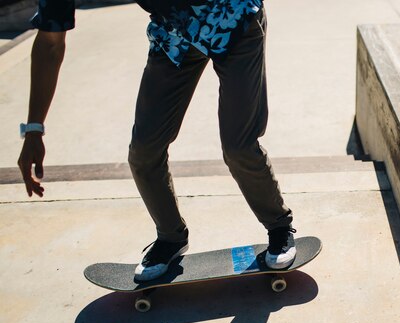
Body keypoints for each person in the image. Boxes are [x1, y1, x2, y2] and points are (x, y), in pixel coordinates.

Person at [17, 0, 296, 281]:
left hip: (233, 17)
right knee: (144, 150)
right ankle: (171, 237)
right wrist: (33, 130)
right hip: (174, 34)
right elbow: (50, 41)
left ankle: (279, 225)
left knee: (238, 146)